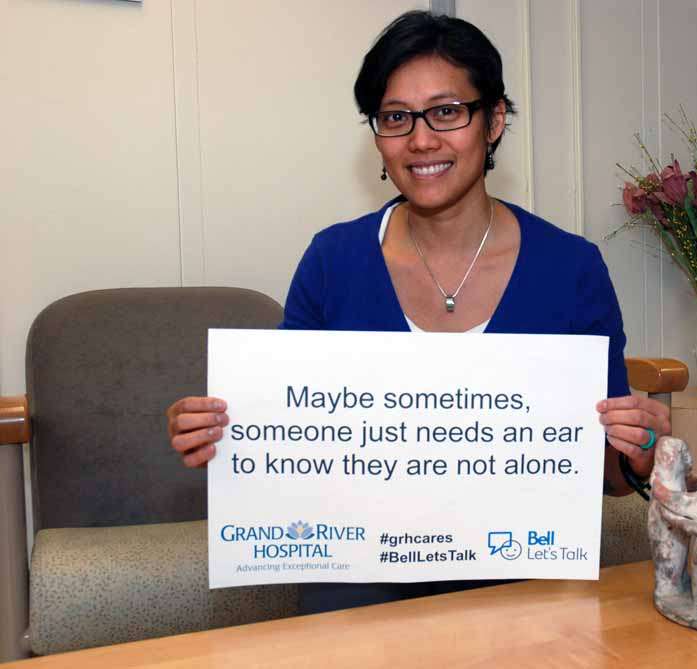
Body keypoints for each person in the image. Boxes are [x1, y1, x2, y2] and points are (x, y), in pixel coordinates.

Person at [165, 10, 671, 613]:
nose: (421, 139)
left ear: (495, 120)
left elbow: (606, 475)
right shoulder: (334, 259)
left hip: (523, 586)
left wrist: (639, 451)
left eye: (447, 112)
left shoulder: (572, 269)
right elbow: (284, 436)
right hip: (357, 586)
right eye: (395, 117)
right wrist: (219, 431)